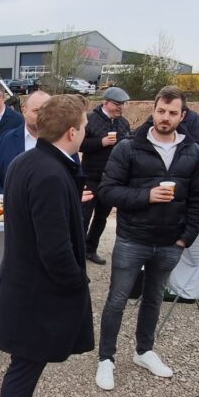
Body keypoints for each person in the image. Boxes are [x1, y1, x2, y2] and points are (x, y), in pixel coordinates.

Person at [0, 95, 94, 397]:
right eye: (83, 127)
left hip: (25, 284)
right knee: (24, 366)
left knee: (29, 363)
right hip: (36, 291)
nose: (86, 133)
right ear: (71, 132)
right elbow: (55, 249)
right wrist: (77, 282)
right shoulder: (49, 173)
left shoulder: (28, 161)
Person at [95, 86, 199, 390]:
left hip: (171, 241)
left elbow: (198, 198)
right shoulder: (129, 147)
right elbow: (107, 191)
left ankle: (144, 351)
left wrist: (187, 236)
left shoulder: (192, 150)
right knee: (117, 300)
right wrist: (146, 196)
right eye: (161, 111)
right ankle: (106, 358)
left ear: (182, 116)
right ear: (153, 111)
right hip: (133, 238)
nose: (165, 118)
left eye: (172, 113)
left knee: (154, 299)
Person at [81, 86, 131, 265]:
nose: (120, 107)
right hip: (90, 176)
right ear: (106, 102)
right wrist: (100, 142)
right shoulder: (89, 120)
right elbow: (79, 145)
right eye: (117, 104)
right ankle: (77, 251)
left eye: (122, 104)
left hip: (112, 179)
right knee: (83, 216)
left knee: (102, 217)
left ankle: (91, 249)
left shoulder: (123, 123)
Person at [0, 89, 51, 197]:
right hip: (12, 210)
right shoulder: (6, 140)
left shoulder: (61, 141)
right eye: (36, 111)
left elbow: (72, 177)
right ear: (24, 111)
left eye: (48, 111)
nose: (42, 116)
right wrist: (6, 199)